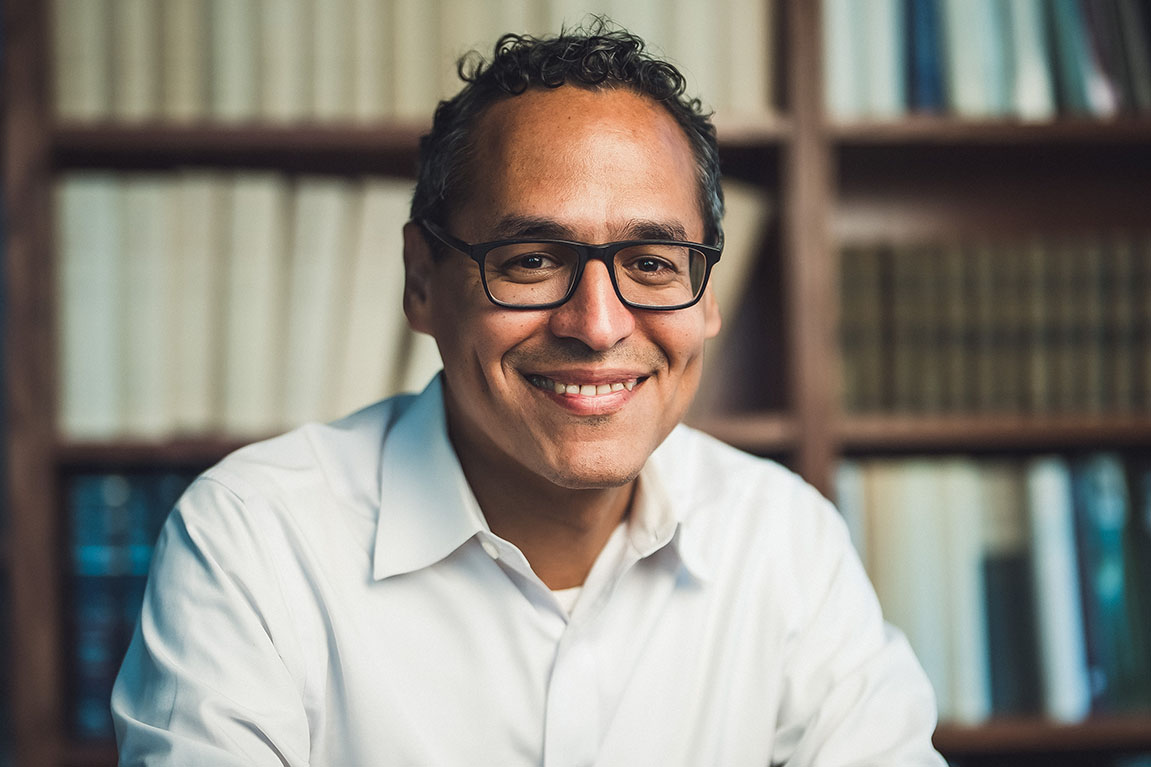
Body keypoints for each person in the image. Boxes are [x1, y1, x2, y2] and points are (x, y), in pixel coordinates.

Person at [112, 22, 947, 766]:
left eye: (652, 264)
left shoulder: (785, 540)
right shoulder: (254, 542)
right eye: (530, 261)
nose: (596, 323)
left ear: (707, 295)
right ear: (420, 281)